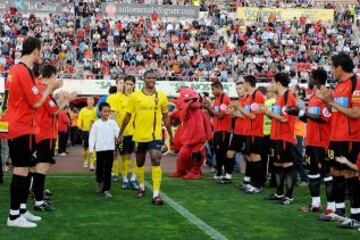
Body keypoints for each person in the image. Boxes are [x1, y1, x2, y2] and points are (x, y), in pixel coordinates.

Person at [5, 37, 62, 228]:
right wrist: (51, 88)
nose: (41, 55)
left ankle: (21, 210)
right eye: (40, 51)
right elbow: (37, 102)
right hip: (21, 127)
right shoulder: (22, 71)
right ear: (35, 51)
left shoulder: (16, 69)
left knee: (27, 169)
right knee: (21, 171)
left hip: (20, 126)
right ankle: (14, 216)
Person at [316, 53, 360, 228]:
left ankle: (356, 216)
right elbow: (336, 110)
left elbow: (356, 113)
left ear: (340, 67)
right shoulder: (338, 85)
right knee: (335, 171)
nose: (331, 70)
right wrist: (326, 102)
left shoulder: (356, 84)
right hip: (335, 137)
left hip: (350, 138)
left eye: (332, 67)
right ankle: (340, 211)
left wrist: (332, 102)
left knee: (350, 173)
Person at [119, 70, 173, 205]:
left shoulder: (162, 96)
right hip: (139, 136)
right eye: (149, 77)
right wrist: (120, 133)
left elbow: (166, 117)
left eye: (154, 78)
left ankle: (156, 194)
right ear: (144, 79)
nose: (151, 80)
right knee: (139, 162)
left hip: (155, 136)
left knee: (156, 159)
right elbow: (127, 116)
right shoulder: (135, 96)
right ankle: (142, 186)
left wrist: (171, 135)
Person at [286, 69, 335, 215]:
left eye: (311, 77)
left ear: (318, 79)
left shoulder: (327, 95)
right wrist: (296, 112)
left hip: (322, 142)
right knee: (313, 173)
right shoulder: (313, 96)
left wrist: (301, 112)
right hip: (311, 141)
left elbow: (323, 118)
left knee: (326, 174)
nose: (309, 80)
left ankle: (332, 207)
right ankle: (315, 204)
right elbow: (309, 118)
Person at [33, 64, 76, 212]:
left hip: (42, 132)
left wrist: (64, 99)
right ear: (51, 76)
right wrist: (67, 99)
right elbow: (54, 111)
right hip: (44, 133)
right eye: (56, 77)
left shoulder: (41, 89)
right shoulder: (43, 89)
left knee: (38, 166)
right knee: (41, 167)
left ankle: (36, 195)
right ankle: (38, 201)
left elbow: (53, 109)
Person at [259, 72, 297, 205]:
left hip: (284, 136)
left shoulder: (288, 97)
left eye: (273, 82)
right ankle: (279, 193)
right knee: (277, 164)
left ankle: (289, 196)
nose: (271, 85)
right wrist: (267, 113)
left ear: (279, 83)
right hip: (276, 135)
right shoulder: (280, 98)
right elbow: (276, 117)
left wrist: (267, 112)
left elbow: (285, 119)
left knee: (287, 165)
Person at [231, 75, 265, 193]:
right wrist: (236, 110)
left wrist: (239, 108)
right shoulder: (251, 96)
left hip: (255, 131)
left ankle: (258, 184)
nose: (242, 85)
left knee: (255, 158)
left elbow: (253, 116)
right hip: (249, 132)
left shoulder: (257, 96)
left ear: (248, 84)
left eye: (243, 83)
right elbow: (247, 115)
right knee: (250, 157)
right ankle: (252, 182)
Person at [107, 75, 139, 189]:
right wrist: (116, 133)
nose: (129, 86)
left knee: (136, 156)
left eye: (131, 84)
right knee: (123, 156)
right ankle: (125, 178)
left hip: (135, 133)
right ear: (123, 84)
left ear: (134, 85)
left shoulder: (137, 97)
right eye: (127, 84)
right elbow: (114, 116)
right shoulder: (116, 98)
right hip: (122, 133)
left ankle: (133, 178)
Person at [203, 81, 232, 183]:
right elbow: (214, 115)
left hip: (224, 130)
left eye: (213, 89)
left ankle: (226, 174)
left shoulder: (225, 98)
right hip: (217, 129)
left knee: (222, 153)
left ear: (219, 88)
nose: (212, 91)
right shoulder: (217, 99)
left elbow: (221, 115)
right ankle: (219, 173)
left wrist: (209, 108)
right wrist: (208, 109)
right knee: (218, 152)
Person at [89, 102, 120, 198]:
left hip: (110, 149)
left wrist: (120, 137)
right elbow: (92, 137)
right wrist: (91, 149)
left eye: (108, 111)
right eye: (104, 111)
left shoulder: (113, 123)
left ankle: (106, 189)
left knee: (108, 170)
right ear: (100, 112)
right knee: (99, 170)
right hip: (99, 150)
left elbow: (118, 133)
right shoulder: (96, 124)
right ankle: (99, 182)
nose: (106, 113)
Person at [227, 81, 250, 188]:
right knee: (230, 153)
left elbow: (247, 116)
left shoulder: (249, 100)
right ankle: (227, 177)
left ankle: (247, 179)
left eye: (240, 88)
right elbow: (238, 116)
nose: (238, 90)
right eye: (237, 89)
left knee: (247, 156)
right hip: (237, 131)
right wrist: (232, 114)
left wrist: (234, 113)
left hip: (246, 132)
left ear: (245, 88)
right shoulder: (239, 101)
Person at [106, 76, 125, 183]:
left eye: (124, 83)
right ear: (116, 84)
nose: (122, 85)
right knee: (114, 152)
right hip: (114, 130)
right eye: (120, 83)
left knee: (125, 153)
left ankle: (124, 172)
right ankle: (114, 172)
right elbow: (110, 115)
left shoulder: (129, 97)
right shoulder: (111, 98)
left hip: (126, 130)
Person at [77, 97, 97, 171]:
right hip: (85, 131)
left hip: (94, 132)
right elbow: (79, 120)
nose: (91, 101)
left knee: (93, 147)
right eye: (89, 100)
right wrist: (80, 126)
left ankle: (92, 163)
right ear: (87, 102)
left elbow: (98, 119)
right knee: (85, 147)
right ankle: (85, 159)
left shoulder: (96, 110)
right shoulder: (83, 110)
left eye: (92, 99)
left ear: (94, 102)